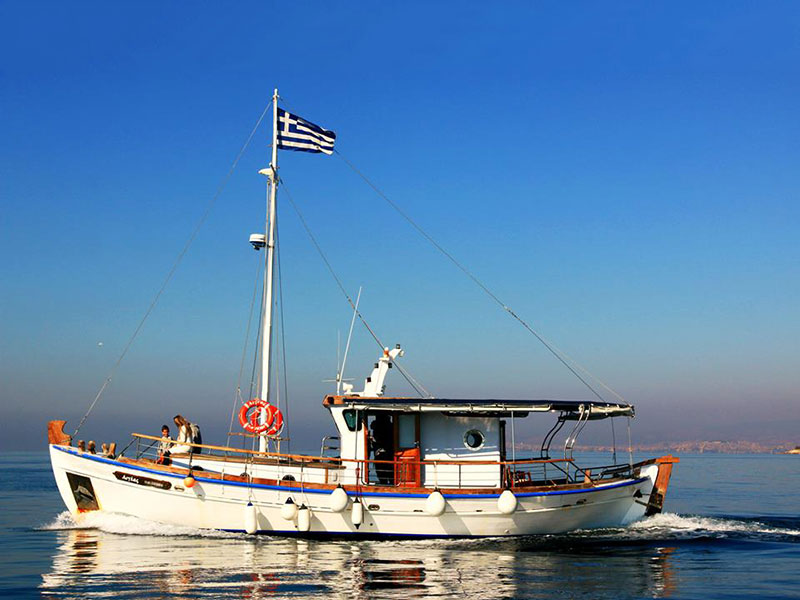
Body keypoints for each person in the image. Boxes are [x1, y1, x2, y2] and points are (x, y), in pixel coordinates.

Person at [370, 414, 394, 485]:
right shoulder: (389, 426)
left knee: (384, 472)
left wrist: (373, 440)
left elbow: (382, 440)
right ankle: (388, 482)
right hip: (386, 453)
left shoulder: (384, 427)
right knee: (386, 472)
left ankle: (385, 482)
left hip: (384, 453)